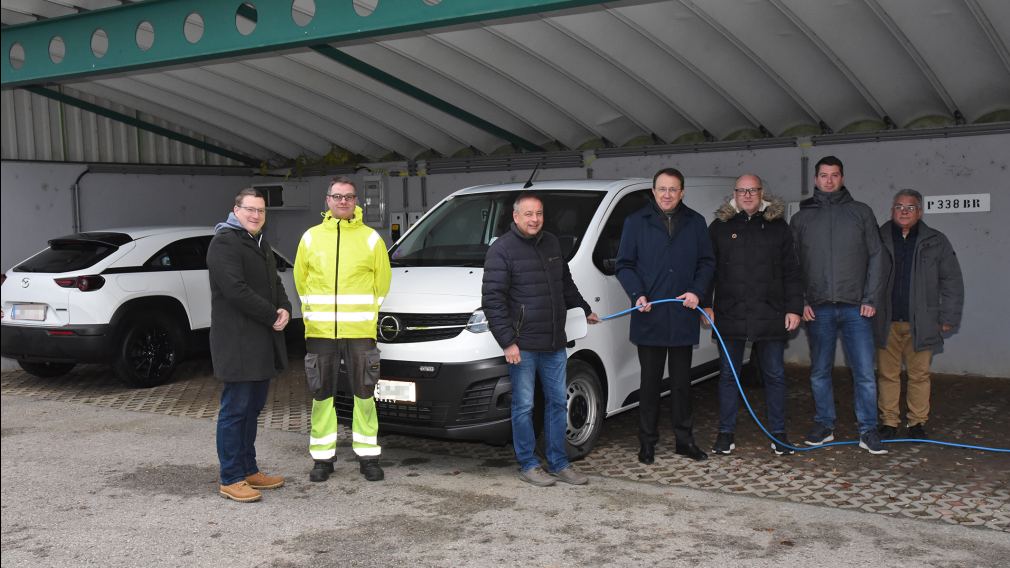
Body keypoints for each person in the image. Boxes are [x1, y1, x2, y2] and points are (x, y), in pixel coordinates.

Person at [482, 192, 600, 487]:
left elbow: (565, 283)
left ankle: (559, 462)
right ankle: (528, 463)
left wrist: (584, 309)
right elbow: (492, 300)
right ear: (516, 216)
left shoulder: (551, 243)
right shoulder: (502, 250)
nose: (535, 219)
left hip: (554, 342)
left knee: (558, 402)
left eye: (539, 214)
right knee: (523, 406)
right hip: (522, 345)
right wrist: (508, 342)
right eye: (529, 214)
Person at [294, 176, 391, 482]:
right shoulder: (310, 238)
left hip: (360, 331)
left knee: (364, 393)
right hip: (321, 332)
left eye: (349, 197)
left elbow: (382, 282)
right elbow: (301, 281)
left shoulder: (371, 239)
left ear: (356, 201)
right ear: (328, 200)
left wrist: (366, 315)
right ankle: (323, 459)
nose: (343, 202)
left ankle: (368, 457)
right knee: (322, 394)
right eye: (338, 197)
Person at [616, 167, 715, 464]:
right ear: (653, 191)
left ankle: (684, 440)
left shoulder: (696, 223)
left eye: (673, 189)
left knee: (682, 384)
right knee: (650, 384)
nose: (667, 194)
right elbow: (624, 265)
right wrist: (638, 294)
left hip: (683, 313)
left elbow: (707, 262)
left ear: (682, 192)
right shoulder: (636, 222)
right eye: (662, 189)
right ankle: (647, 442)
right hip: (650, 314)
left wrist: (698, 292)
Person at [791, 156, 887, 454]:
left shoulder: (860, 212)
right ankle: (824, 425)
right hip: (818, 308)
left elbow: (877, 256)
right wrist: (801, 300)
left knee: (865, 373)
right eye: (823, 175)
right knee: (819, 370)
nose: (829, 180)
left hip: (856, 307)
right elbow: (792, 265)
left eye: (834, 175)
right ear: (816, 179)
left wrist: (870, 298)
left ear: (842, 178)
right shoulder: (802, 218)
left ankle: (868, 430)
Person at [704, 174, 803, 456]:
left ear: (762, 193)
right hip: (730, 314)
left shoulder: (778, 227)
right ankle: (725, 434)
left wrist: (794, 307)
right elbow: (708, 269)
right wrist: (706, 303)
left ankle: (779, 434)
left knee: (774, 375)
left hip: (770, 314)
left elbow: (792, 272)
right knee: (728, 376)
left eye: (753, 190)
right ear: (734, 193)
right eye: (742, 191)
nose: (747, 195)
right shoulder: (720, 227)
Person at [208, 188, 291, 502]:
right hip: (238, 342)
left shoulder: (259, 243)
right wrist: (272, 315)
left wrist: (285, 308)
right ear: (236, 209)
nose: (256, 215)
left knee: (252, 409)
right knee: (235, 410)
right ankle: (230, 477)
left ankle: (248, 469)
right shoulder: (224, 243)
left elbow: (275, 284)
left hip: (261, 341)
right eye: (250, 209)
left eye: (261, 211)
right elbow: (236, 291)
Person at [874, 189, 964, 440]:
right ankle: (889, 422)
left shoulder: (936, 241)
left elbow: (952, 281)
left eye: (910, 207)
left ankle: (916, 424)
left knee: (919, 375)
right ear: (892, 210)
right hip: (885, 320)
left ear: (920, 212)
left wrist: (949, 317)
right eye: (899, 207)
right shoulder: (877, 238)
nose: (904, 211)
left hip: (922, 322)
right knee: (887, 374)